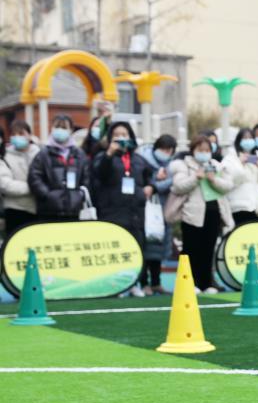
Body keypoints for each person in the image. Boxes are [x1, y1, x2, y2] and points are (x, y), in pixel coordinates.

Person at [90, 121, 155, 297]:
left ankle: (134, 283)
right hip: (112, 211)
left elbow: (151, 177)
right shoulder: (103, 157)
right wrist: (109, 154)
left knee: (136, 247)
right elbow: (98, 174)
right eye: (117, 135)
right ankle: (114, 286)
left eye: (124, 134)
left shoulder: (138, 159)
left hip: (135, 212)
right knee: (116, 248)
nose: (121, 138)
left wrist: (151, 187)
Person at [169, 135, 234, 293]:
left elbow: (228, 185)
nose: (204, 153)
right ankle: (190, 283)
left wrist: (213, 180)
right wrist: (195, 177)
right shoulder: (184, 165)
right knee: (191, 250)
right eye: (200, 150)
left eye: (207, 150)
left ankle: (207, 283)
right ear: (193, 150)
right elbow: (178, 186)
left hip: (213, 213)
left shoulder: (216, 165)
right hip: (192, 215)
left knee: (208, 249)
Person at [27, 114, 91, 222]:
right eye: (57, 127)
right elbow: (34, 178)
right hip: (49, 211)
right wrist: (47, 195)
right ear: (51, 128)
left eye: (64, 127)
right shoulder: (43, 154)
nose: (60, 130)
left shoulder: (79, 154)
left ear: (71, 130)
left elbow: (87, 177)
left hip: (74, 211)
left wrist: (79, 196)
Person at [137, 134, 178, 295]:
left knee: (158, 250)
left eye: (169, 150)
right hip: (146, 211)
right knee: (146, 248)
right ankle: (143, 283)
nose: (165, 152)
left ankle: (156, 282)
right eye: (163, 149)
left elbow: (175, 182)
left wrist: (157, 184)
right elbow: (144, 185)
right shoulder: (143, 161)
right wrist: (156, 181)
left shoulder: (172, 166)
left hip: (163, 211)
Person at [222, 128, 258, 225]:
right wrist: (240, 164)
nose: (248, 140)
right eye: (245, 138)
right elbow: (228, 179)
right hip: (239, 206)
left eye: (250, 138)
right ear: (239, 141)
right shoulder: (231, 157)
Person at [1, 121, 40, 234]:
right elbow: (5, 184)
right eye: (14, 134)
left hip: (37, 209)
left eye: (21, 133)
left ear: (29, 135)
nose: (17, 137)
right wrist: (32, 187)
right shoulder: (6, 156)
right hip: (15, 208)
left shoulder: (39, 154)